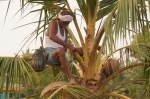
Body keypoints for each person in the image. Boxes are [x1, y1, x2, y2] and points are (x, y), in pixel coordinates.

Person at [44, 10, 82, 84]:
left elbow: (65, 46)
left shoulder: (65, 29)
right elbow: (52, 36)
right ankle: (70, 77)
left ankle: (83, 76)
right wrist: (68, 46)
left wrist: (73, 50)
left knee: (82, 50)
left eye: (68, 22)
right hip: (50, 54)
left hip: (62, 56)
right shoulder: (53, 23)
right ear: (59, 19)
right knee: (60, 50)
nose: (66, 24)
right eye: (64, 22)